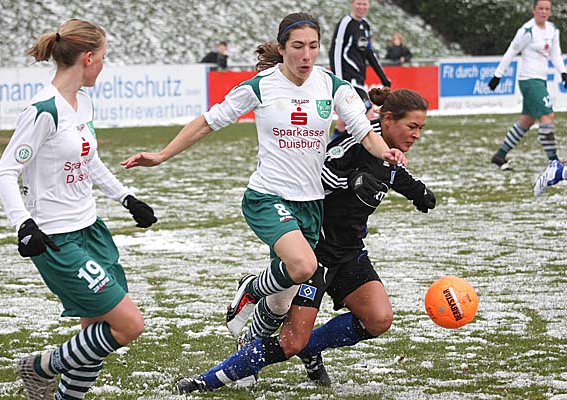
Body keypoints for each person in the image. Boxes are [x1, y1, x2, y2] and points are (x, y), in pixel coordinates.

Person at [122, 9, 406, 362]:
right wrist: (162, 155)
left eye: (313, 46)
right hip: (267, 197)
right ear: (282, 48)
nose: (306, 54)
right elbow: (208, 122)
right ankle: (250, 288)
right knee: (304, 266)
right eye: (298, 46)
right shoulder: (260, 86)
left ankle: (247, 349)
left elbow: (364, 132)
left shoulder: (333, 86)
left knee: (281, 301)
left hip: (310, 204)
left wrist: (385, 152)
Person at [175, 87, 435, 393]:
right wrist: (350, 181)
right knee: (290, 341)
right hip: (316, 252)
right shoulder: (357, 142)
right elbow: (314, 173)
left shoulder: (390, 154)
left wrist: (419, 192)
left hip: (349, 251)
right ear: (388, 119)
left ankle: (311, 347)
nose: (417, 135)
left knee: (379, 319)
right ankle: (206, 381)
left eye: (421, 128)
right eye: (412, 126)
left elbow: (392, 173)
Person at [0, 19, 157, 400]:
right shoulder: (43, 110)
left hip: (91, 229)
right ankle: (38, 368)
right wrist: (24, 225)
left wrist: (126, 198)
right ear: (88, 58)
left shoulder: (83, 102)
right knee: (129, 324)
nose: (103, 64)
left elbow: (89, 159)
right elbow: (5, 173)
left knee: (96, 331)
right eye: (103, 57)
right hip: (56, 239)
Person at [487, 0, 567, 170]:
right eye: (540, 8)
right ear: (534, 10)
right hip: (529, 80)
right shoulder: (527, 30)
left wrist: (563, 73)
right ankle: (554, 162)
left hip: (540, 80)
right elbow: (512, 51)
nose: (543, 12)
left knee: (527, 120)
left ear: (550, 11)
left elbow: (555, 54)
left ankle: (499, 155)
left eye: (547, 9)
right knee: (548, 116)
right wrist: (498, 75)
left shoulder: (553, 30)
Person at [329, 0, 391, 126]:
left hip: (359, 78)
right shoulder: (346, 23)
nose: (361, 7)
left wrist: (383, 78)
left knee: (344, 122)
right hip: (348, 79)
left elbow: (369, 53)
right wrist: (339, 80)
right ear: (352, 3)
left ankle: (337, 139)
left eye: (364, 4)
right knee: (367, 113)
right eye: (359, 3)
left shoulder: (365, 25)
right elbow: (335, 51)